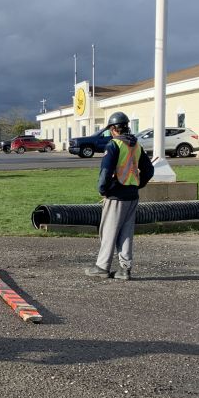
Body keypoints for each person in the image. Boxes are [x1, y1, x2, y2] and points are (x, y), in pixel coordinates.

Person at [86, 111, 154, 281]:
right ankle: (125, 269)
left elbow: (106, 172)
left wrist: (103, 190)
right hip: (132, 195)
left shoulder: (113, 145)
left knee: (108, 231)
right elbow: (149, 170)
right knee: (126, 233)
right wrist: (139, 184)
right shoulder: (136, 145)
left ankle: (102, 267)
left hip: (116, 195)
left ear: (113, 129)